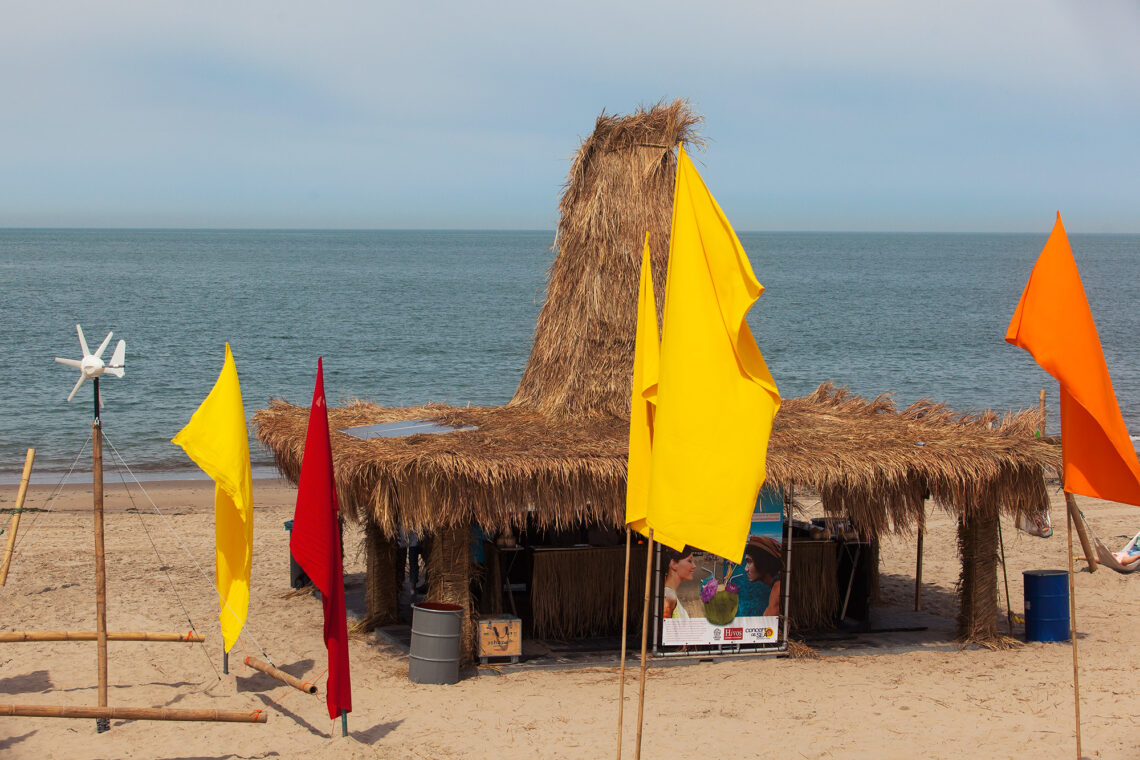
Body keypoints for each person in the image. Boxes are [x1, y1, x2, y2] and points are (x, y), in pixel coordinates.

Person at [742, 536, 783, 617]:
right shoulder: (777, 585)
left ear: (762, 561)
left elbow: (768, 623)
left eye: (749, 561)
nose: (745, 569)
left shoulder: (778, 589)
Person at [662, 546, 697, 619]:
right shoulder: (669, 596)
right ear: (674, 564)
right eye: (689, 561)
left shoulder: (669, 594)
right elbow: (666, 627)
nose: (694, 566)